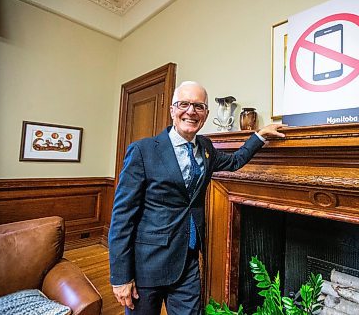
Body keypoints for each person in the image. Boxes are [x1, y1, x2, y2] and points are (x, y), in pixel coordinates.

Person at [108, 81, 285, 315]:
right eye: (184, 104)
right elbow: (122, 216)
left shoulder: (206, 147)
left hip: (188, 263)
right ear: (172, 109)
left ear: (206, 114)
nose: (191, 111)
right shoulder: (143, 151)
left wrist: (259, 136)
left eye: (199, 106)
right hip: (147, 265)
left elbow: (233, 162)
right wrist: (121, 277)